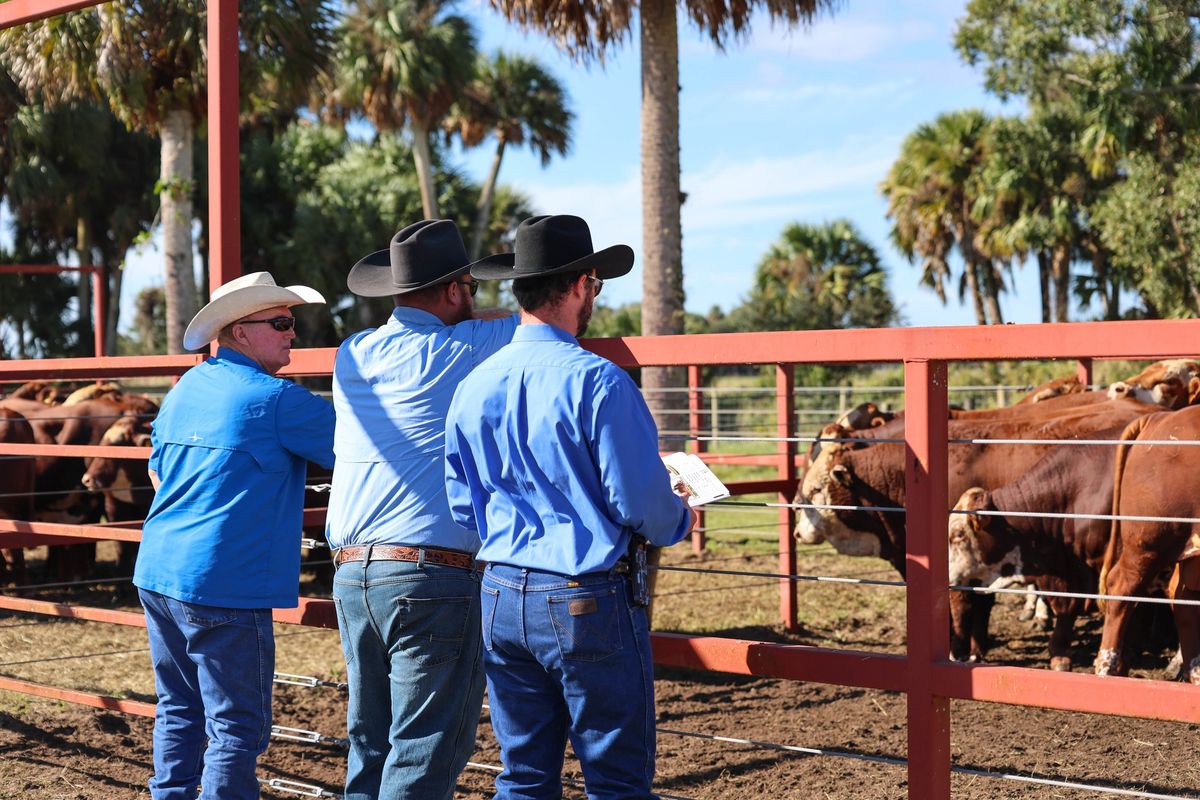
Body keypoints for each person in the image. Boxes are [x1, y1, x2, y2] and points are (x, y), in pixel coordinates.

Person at [444, 214, 697, 800]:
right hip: (586, 595)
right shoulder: (600, 382)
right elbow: (640, 506)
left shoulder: (474, 384)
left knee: (525, 774)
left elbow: (463, 505)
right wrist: (680, 513)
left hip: (501, 589)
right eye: (597, 286)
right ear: (582, 284)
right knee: (616, 780)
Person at [326, 219, 517, 800]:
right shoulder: (470, 346)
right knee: (426, 746)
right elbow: (544, 328)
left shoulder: (353, 351)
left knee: (371, 738)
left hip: (353, 569)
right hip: (430, 573)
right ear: (457, 290)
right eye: (472, 290)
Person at [133, 272, 335, 800]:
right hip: (225, 579)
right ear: (240, 331)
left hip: (160, 569)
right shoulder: (279, 400)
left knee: (179, 705)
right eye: (282, 322)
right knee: (236, 728)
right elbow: (361, 446)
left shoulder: (186, 389)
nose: (294, 333)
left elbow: (157, 472)